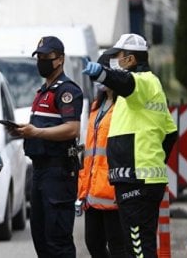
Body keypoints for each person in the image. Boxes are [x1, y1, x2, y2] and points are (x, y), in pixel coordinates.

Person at [81, 33, 177, 258]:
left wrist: (102, 73)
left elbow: (126, 82)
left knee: (138, 250)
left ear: (131, 59)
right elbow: (170, 133)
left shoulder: (142, 82)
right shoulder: (144, 93)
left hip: (137, 180)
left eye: (118, 56)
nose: (116, 60)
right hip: (141, 179)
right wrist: (155, 161)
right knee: (139, 247)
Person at [8, 36, 84, 257]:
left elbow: (72, 129)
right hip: (40, 171)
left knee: (57, 241)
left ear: (59, 59)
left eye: (46, 57)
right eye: (38, 57)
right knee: (40, 238)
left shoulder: (67, 90)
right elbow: (44, 125)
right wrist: (23, 130)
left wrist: (37, 132)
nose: (41, 61)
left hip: (58, 172)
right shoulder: (43, 90)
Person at [77, 53, 127, 257]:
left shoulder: (123, 106)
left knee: (117, 247)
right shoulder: (96, 107)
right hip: (93, 190)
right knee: (93, 243)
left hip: (112, 190)